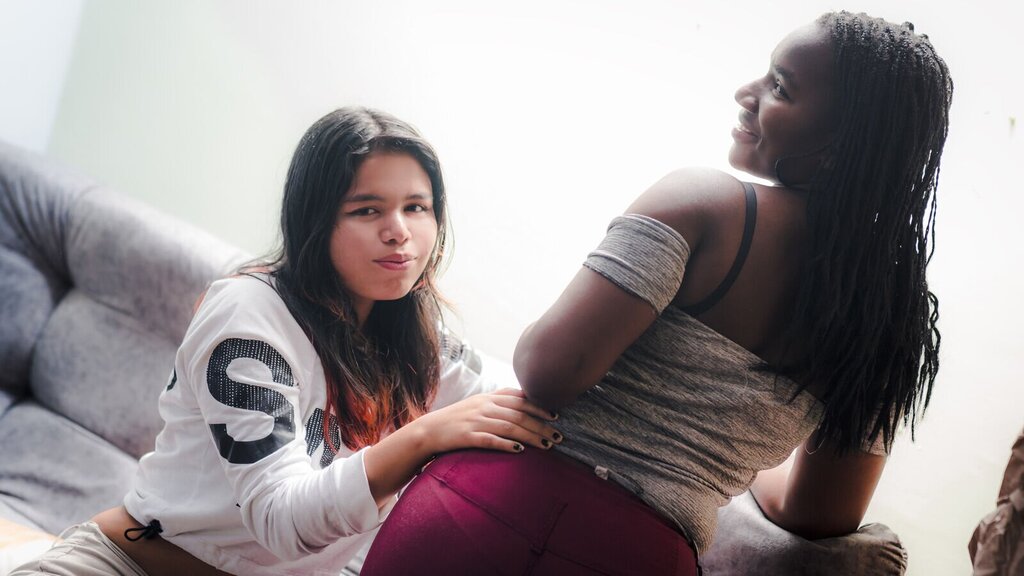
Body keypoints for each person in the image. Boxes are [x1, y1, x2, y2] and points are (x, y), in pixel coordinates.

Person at [362, 11, 952, 575]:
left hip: (488, 506)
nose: (746, 93)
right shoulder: (888, 325)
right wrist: (716, 456)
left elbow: (547, 370)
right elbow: (820, 515)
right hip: (642, 557)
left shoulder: (702, 204)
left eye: (780, 87)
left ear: (846, 142)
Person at [10, 107, 561, 576]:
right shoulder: (248, 315)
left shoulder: (416, 344)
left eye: (416, 207)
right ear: (315, 221)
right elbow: (281, 519)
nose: (399, 230)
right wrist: (423, 436)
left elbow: (528, 397)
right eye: (367, 209)